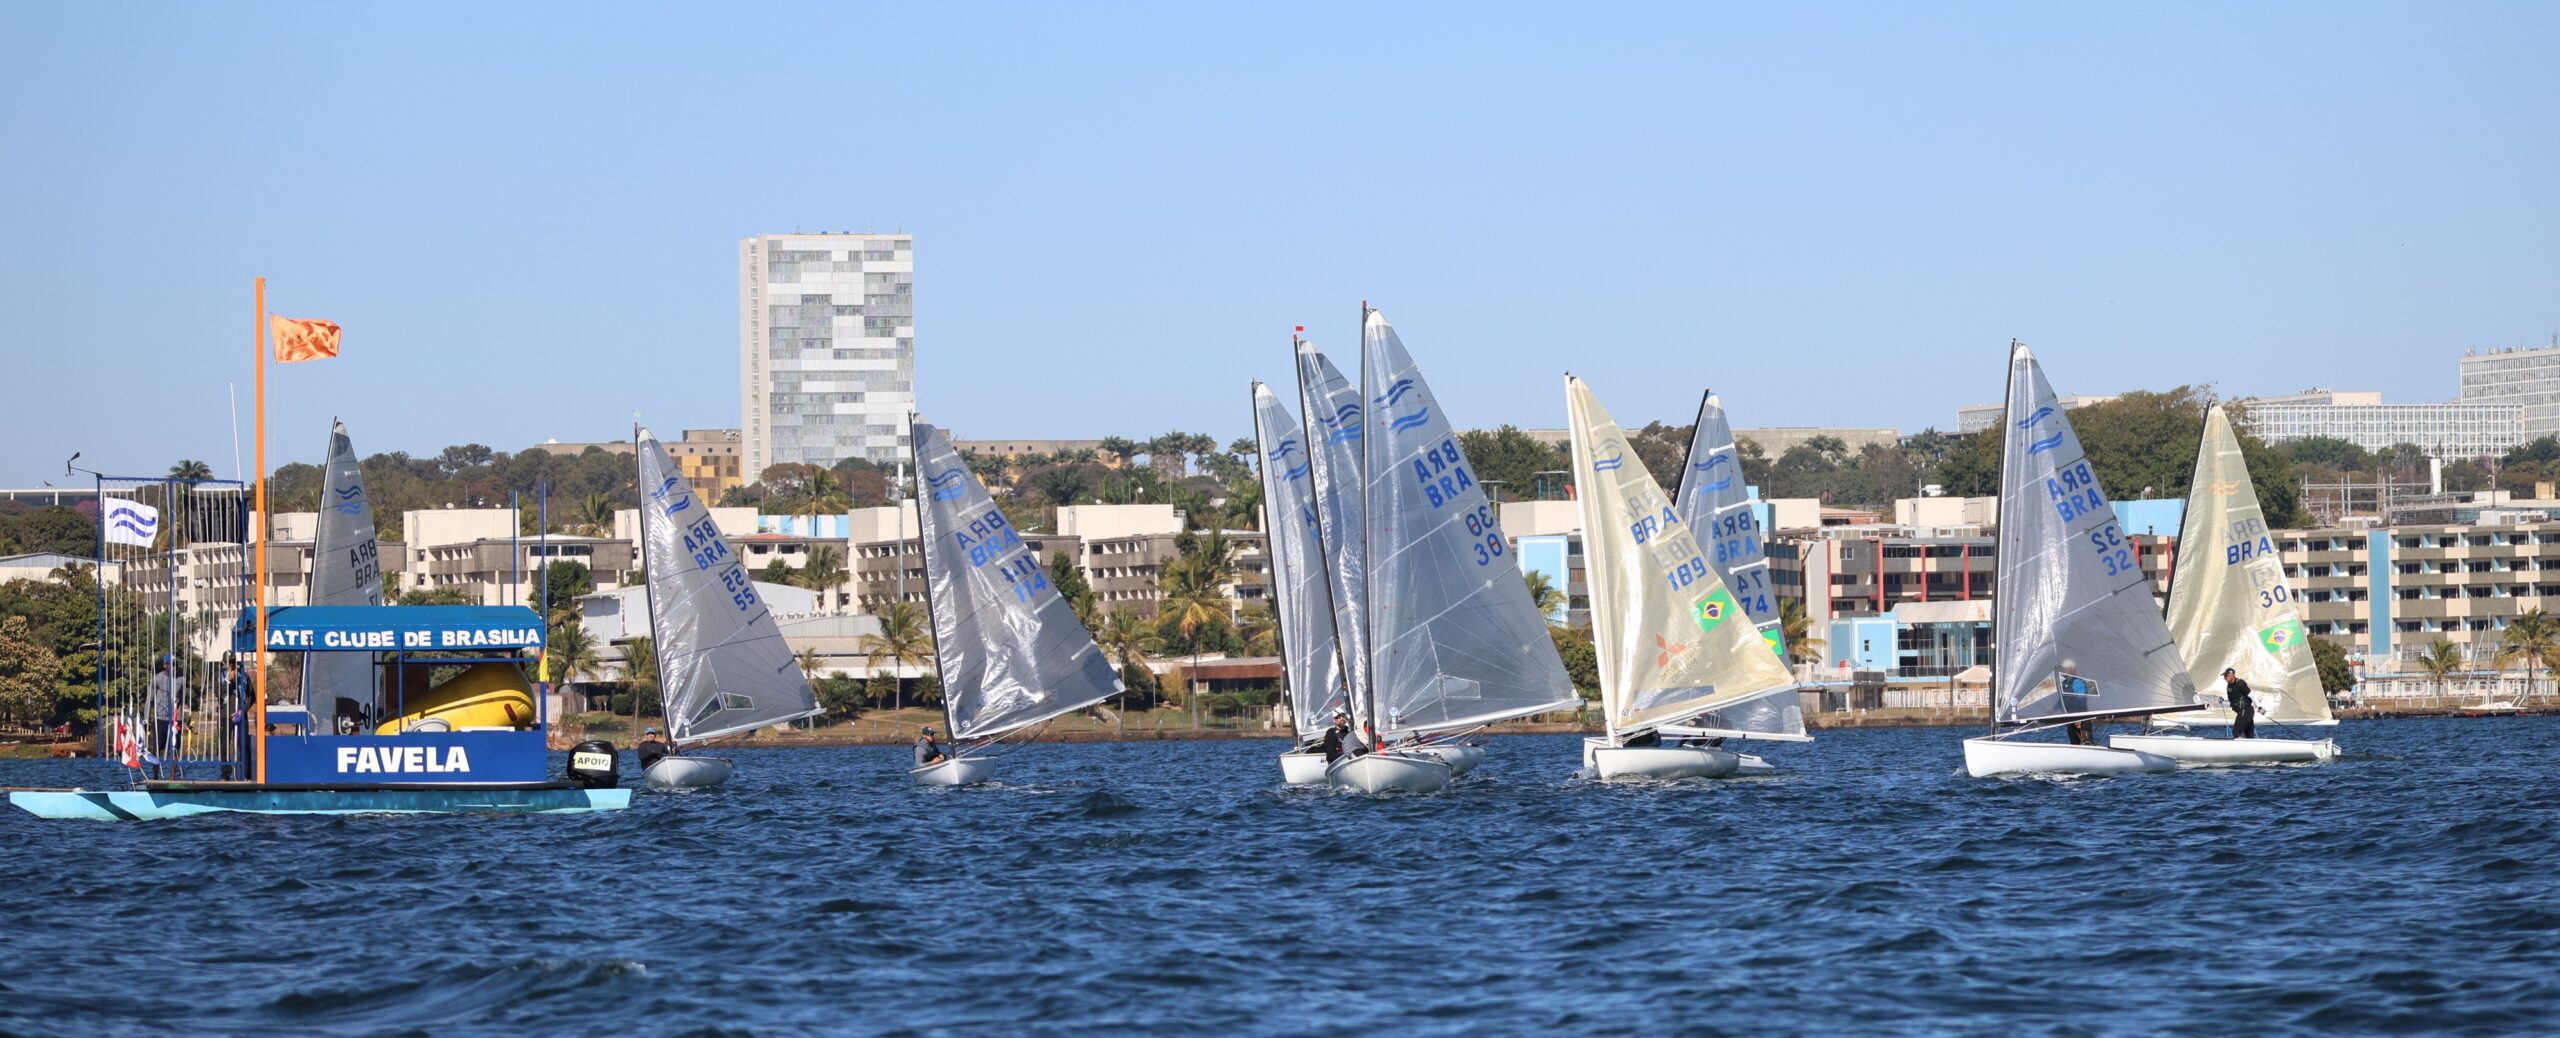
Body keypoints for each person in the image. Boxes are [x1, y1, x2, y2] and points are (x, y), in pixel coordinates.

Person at [145, 657, 182, 780]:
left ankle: (172, 777)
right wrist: (146, 718)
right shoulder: (157, 679)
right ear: (165, 665)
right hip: (159, 718)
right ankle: (155, 775)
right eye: (170, 664)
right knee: (157, 747)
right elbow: (149, 699)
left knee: (175, 748)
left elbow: (184, 697)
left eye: (175, 664)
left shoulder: (181, 679)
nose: (173, 666)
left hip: (174, 719)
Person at [219, 659, 254, 781]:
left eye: (233, 663)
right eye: (228, 663)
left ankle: (246, 775)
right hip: (225, 716)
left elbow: (252, 695)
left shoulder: (244, 676)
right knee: (224, 746)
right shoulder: (220, 676)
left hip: (240, 716)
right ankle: (225, 774)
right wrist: (228, 680)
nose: (231, 666)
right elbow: (218, 694)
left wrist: (242, 710)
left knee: (243, 744)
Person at [2223, 667, 2257, 739]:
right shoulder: (2229, 685)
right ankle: (2251, 748)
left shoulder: (2240, 683)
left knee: (2236, 732)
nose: (2224, 678)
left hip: (2246, 710)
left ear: (2231, 675)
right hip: (2244, 712)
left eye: (2226, 676)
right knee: (2249, 735)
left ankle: (2238, 748)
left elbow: (2251, 694)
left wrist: (2259, 706)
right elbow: (2234, 697)